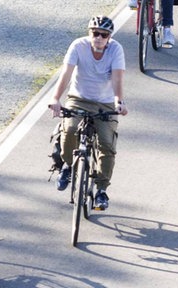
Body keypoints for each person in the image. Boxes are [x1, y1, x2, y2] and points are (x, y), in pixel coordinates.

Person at [50, 15, 129, 211]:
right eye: (95, 33)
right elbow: (66, 74)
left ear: (109, 37)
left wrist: (119, 101)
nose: (99, 38)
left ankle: (101, 190)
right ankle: (68, 166)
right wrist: (55, 99)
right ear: (89, 33)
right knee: (69, 130)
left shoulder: (116, 50)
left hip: (105, 104)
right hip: (78, 98)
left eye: (104, 35)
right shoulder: (78, 46)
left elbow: (118, 78)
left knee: (107, 145)